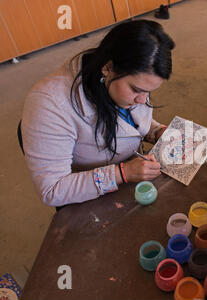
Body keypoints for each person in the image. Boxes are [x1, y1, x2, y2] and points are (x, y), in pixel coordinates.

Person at [21, 20, 175, 207]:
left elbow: (127, 122)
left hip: (131, 167)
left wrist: (156, 131)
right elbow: (52, 190)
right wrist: (122, 173)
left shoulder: (122, 86)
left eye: (149, 91)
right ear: (108, 68)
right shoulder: (49, 105)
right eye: (136, 90)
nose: (143, 100)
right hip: (87, 195)